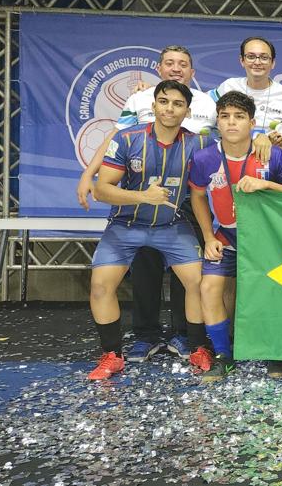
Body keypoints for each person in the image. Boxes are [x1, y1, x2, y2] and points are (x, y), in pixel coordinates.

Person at [75, 45, 216, 363]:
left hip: (172, 226)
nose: (170, 108)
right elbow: (102, 190)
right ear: (153, 105)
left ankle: (196, 348)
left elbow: (236, 150)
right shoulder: (127, 138)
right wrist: (142, 197)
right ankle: (112, 355)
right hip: (126, 225)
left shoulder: (200, 143)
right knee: (100, 286)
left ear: (187, 111)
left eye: (178, 104)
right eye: (164, 102)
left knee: (199, 284)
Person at [187, 91, 282, 382]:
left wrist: (266, 184)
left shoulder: (272, 154)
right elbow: (198, 196)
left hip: (265, 238)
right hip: (225, 237)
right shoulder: (205, 158)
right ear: (217, 121)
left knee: (272, 292)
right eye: (225, 116)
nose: (231, 123)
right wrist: (207, 237)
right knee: (209, 288)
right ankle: (223, 355)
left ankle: (275, 352)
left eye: (239, 117)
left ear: (252, 122)